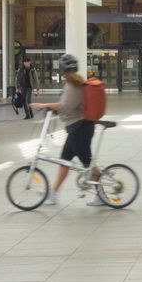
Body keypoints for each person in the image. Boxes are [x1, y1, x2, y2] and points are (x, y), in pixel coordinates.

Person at [47, 56, 100, 200]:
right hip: (77, 129)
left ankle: (102, 195)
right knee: (65, 160)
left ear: (63, 70)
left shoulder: (73, 85)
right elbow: (70, 106)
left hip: (79, 130)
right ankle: (53, 193)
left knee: (88, 164)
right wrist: (54, 109)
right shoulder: (75, 83)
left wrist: (44, 105)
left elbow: (65, 106)